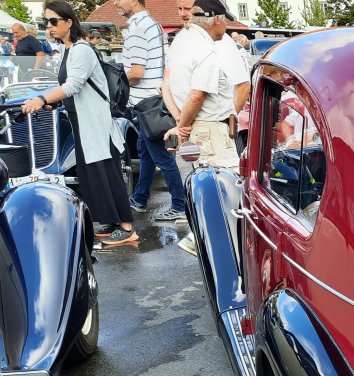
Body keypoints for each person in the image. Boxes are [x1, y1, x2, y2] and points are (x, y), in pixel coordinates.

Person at [23, 1, 137, 247]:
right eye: (46, 22)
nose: (49, 26)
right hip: (84, 124)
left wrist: (42, 98)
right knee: (93, 176)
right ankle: (112, 222)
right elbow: (74, 92)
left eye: (53, 21)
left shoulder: (82, 49)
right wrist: (54, 104)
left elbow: (73, 85)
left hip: (95, 124)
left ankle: (127, 228)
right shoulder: (69, 49)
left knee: (107, 173)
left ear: (68, 22)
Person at [163, 0, 240, 255]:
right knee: (228, 192)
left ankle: (203, 238)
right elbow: (197, 95)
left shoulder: (181, 44)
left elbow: (165, 86)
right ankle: (207, 243)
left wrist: (180, 123)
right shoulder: (206, 50)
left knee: (207, 187)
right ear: (217, 19)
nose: (227, 25)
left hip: (197, 126)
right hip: (210, 129)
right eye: (226, 20)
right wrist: (183, 126)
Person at [116, 0, 187, 223]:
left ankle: (180, 205)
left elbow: (136, 72)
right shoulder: (153, 24)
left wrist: (111, 82)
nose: (116, 2)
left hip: (145, 104)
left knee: (163, 157)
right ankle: (139, 198)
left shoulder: (137, 28)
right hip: (154, 100)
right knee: (145, 152)